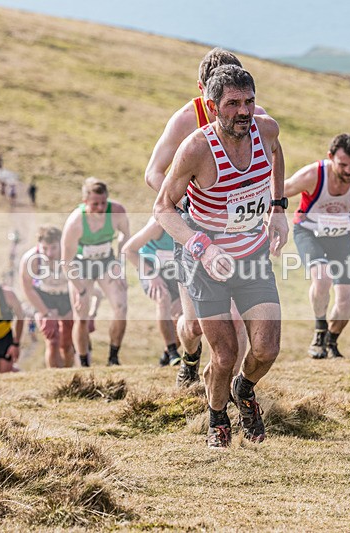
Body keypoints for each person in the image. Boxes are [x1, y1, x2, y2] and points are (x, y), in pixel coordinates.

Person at [154, 65, 288, 448]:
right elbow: (163, 208)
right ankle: (216, 417)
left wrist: (278, 208)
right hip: (206, 265)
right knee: (225, 353)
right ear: (213, 107)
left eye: (249, 102)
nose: (243, 111)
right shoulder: (196, 149)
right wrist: (203, 247)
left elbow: (278, 153)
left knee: (266, 348)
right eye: (232, 104)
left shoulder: (266, 130)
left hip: (252, 255)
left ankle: (244, 391)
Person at [145, 48, 266, 387]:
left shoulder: (249, 114)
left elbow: (271, 153)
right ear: (203, 89)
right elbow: (153, 172)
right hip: (195, 228)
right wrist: (185, 205)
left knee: (238, 320)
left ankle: (226, 388)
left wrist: (274, 207)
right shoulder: (186, 120)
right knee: (195, 323)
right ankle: (190, 356)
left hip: (239, 232)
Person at [285, 133, 350, 359]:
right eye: (342, 165)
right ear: (330, 157)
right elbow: (279, 192)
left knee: (346, 298)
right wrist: (271, 227)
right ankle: (319, 330)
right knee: (322, 278)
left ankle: (331, 340)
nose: (349, 171)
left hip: (340, 237)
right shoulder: (313, 174)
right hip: (308, 232)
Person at [61, 177, 130, 367]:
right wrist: (80, 290)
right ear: (85, 202)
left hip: (106, 263)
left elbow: (126, 235)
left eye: (103, 203)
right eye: (95, 204)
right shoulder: (75, 223)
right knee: (81, 314)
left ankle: (113, 357)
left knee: (121, 307)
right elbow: (66, 262)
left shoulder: (117, 211)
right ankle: (83, 363)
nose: (100, 208)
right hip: (80, 266)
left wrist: (119, 263)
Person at [124, 217, 182, 367]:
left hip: (173, 270)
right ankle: (173, 352)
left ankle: (166, 356)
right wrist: (151, 275)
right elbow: (128, 250)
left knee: (184, 316)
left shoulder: (190, 223)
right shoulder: (158, 226)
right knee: (163, 298)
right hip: (150, 268)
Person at [20, 225, 75, 368]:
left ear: (61, 244)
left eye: (53, 248)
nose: (49, 253)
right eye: (45, 248)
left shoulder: (72, 254)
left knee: (67, 342)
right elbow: (28, 288)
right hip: (44, 296)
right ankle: (53, 374)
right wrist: (45, 313)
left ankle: (69, 374)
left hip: (67, 294)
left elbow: (84, 282)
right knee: (52, 339)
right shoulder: (30, 259)